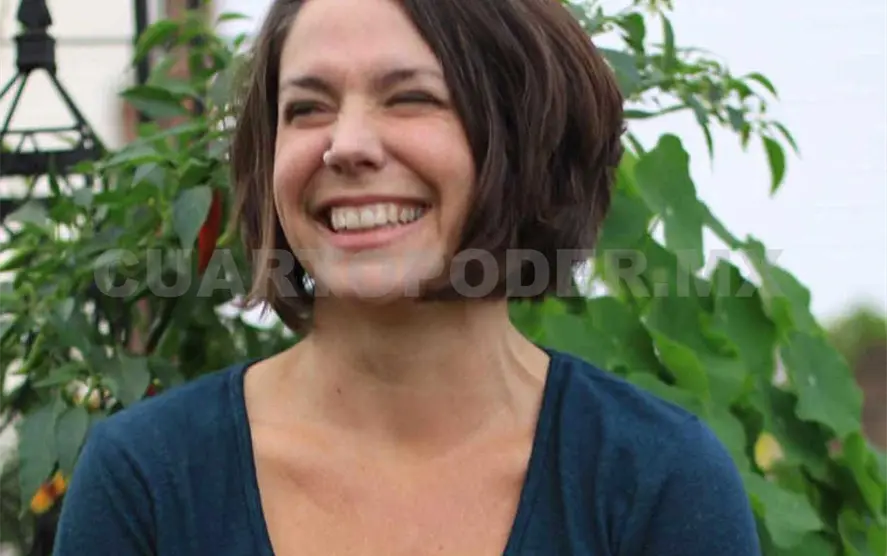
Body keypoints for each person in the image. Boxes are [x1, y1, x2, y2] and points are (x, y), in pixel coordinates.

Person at [52, 0, 762, 554]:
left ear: (526, 137)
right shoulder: (147, 480)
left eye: (410, 98)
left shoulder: (657, 481)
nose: (346, 145)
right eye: (307, 108)